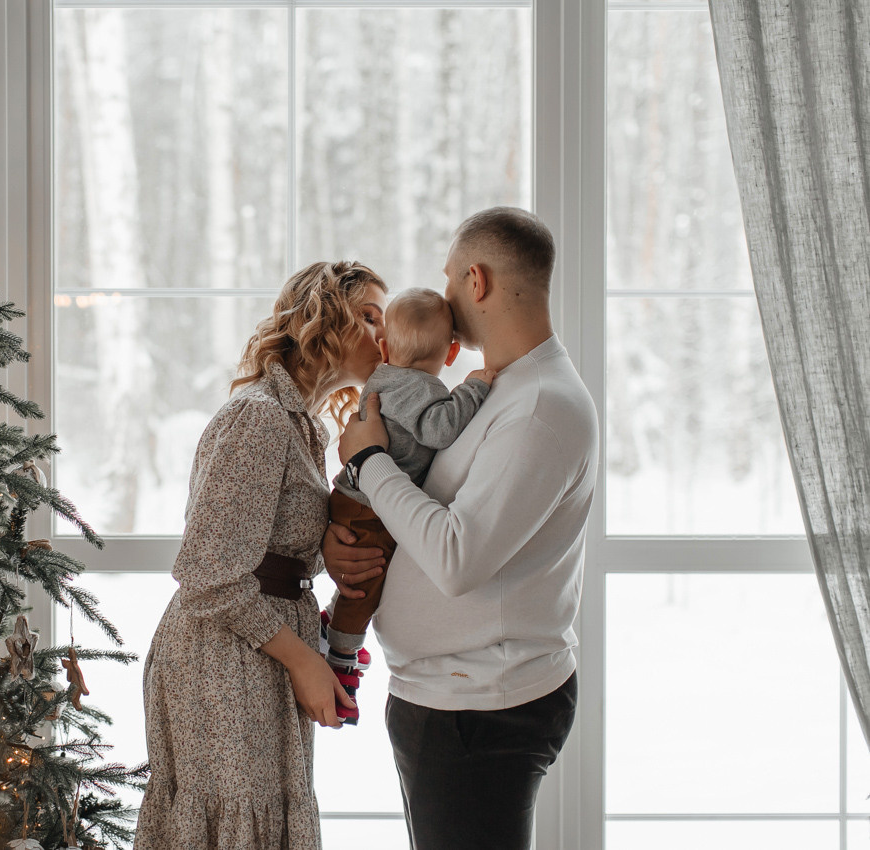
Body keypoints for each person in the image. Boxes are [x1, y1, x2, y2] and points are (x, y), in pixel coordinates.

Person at [326, 207, 599, 850]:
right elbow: (433, 505)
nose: (443, 298)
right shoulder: (501, 391)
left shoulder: (538, 407)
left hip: (480, 710)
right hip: (453, 700)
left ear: (475, 281)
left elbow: (455, 557)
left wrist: (368, 462)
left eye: (448, 281)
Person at [134, 261, 388, 850]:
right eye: (370, 317)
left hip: (256, 648)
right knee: (231, 825)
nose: (385, 334)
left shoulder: (305, 426)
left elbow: (269, 547)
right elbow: (208, 574)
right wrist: (304, 661)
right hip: (221, 656)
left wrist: (324, 548)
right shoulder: (260, 417)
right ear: (323, 318)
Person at [320, 287, 496, 725]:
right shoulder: (421, 387)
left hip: (354, 496)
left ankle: (333, 624)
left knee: (358, 579)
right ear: (452, 352)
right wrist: (472, 389)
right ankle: (341, 656)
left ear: (384, 347)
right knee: (366, 583)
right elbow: (438, 429)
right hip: (368, 505)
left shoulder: (384, 378)